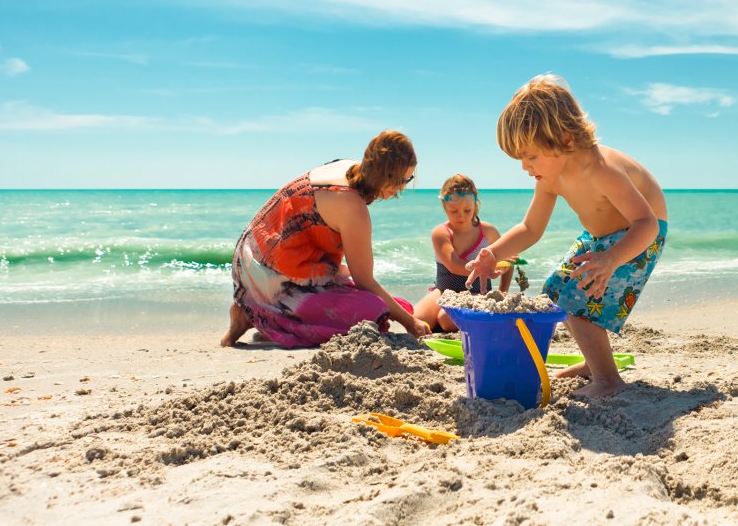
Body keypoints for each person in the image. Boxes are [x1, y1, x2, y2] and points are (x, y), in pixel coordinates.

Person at [466, 75, 668, 398]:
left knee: (578, 298)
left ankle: (608, 380)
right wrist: (494, 252)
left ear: (565, 139)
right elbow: (531, 228)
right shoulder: (549, 176)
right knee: (559, 290)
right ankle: (595, 363)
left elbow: (648, 224)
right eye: (521, 159)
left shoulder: (602, 169)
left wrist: (611, 259)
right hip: (600, 237)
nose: (524, 167)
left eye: (530, 156)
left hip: (639, 234)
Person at [221, 130, 431, 348]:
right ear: (384, 175)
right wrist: (410, 324)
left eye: (409, 178)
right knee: (374, 311)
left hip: (254, 255)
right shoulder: (351, 206)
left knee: (398, 307)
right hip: (274, 278)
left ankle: (255, 309)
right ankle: (261, 313)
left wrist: (406, 317)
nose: (402, 187)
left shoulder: (347, 167)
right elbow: (365, 281)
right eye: (401, 180)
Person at [412, 174, 514, 333]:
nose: (461, 215)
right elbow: (454, 266)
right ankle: (467, 320)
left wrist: (502, 292)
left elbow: (510, 259)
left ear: (475, 205)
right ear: (444, 206)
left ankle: (472, 318)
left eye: (467, 210)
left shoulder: (487, 231)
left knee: (445, 320)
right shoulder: (441, 233)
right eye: (454, 211)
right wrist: (485, 267)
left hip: (478, 292)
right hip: (445, 289)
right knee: (416, 320)